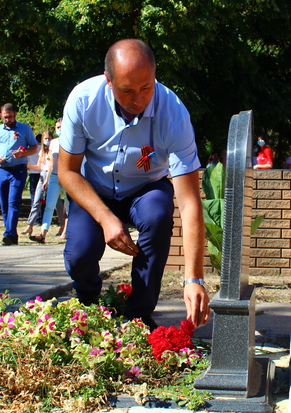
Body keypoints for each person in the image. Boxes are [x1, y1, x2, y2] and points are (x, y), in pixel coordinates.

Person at [58, 39, 210, 329]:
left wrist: (194, 278)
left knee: (157, 214)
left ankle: (138, 316)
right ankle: (88, 304)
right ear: (108, 80)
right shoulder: (83, 100)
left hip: (146, 189)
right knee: (79, 255)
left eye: (146, 88)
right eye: (126, 90)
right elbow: (67, 172)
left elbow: (190, 201)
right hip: (94, 188)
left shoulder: (174, 113)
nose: (138, 100)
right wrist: (106, 218)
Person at [0, 103, 38, 245]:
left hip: (18, 170)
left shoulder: (24, 129)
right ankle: (12, 235)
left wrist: (23, 153)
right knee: (4, 204)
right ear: (1, 116)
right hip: (2, 170)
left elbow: (34, 147)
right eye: (5, 117)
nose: (7, 120)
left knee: (13, 201)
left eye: (9, 117)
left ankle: (8, 233)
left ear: (15, 114)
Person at [29, 126, 66, 243]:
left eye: (61, 126)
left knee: (69, 207)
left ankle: (66, 231)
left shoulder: (72, 139)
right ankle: (42, 234)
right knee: (49, 206)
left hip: (67, 176)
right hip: (54, 176)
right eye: (58, 127)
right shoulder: (54, 142)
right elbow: (50, 161)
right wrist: (47, 179)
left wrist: (64, 175)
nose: (59, 129)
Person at [21, 131, 54, 236]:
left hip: (52, 176)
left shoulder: (54, 151)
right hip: (42, 176)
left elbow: (51, 166)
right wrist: (26, 166)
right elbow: (39, 167)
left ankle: (63, 227)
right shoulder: (42, 152)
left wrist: (47, 179)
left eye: (49, 138)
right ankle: (30, 225)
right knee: (36, 201)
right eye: (45, 139)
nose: (47, 141)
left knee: (55, 204)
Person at [27, 134, 43, 224]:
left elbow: (28, 161)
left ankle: (36, 218)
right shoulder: (45, 149)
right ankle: (42, 216)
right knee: (43, 196)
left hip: (34, 173)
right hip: (43, 173)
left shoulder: (32, 149)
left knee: (34, 196)